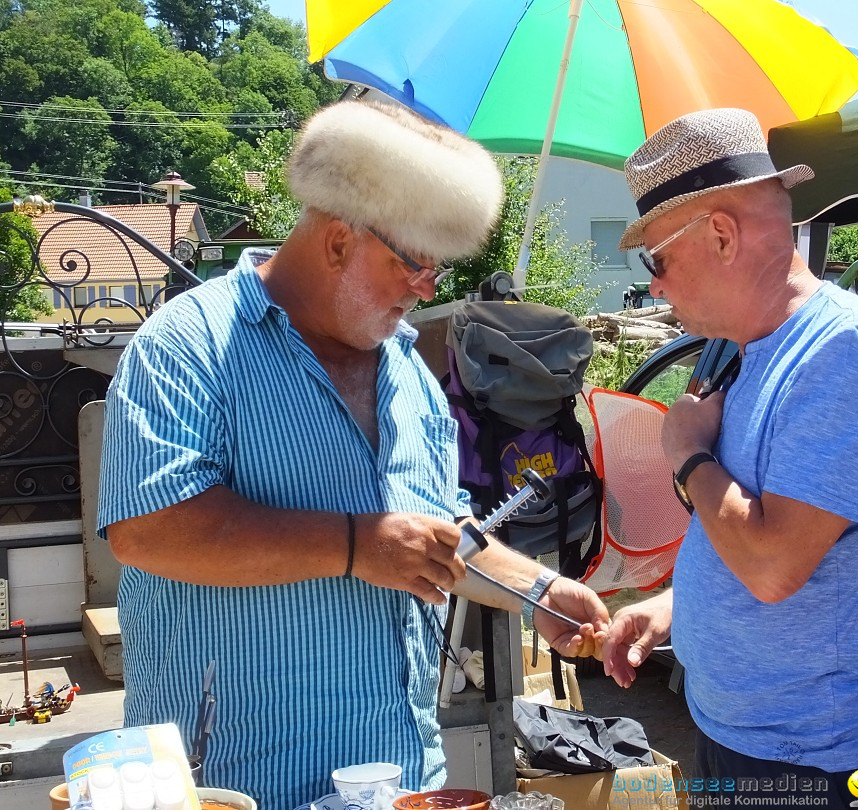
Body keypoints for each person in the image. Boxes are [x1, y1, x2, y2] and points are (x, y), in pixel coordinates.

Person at [97, 99, 609, 810]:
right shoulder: (189, 344)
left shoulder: (405, 371)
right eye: (416, 264)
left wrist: (540, 591)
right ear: (339, 240)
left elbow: (438, 536)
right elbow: (148, 530)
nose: (429, 289)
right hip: (234, 790)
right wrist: (355, 545)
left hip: (402, 782)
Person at [602, 109, 858, 805]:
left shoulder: (850, 354)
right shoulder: (758, 352)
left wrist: (688, 452)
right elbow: (755, 533)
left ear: (721, 234)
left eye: (655, 260)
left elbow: (775, 565)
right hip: (755, 743)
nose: (655, 285)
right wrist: (673, 609)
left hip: (818, 767)